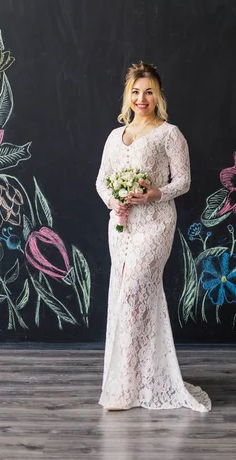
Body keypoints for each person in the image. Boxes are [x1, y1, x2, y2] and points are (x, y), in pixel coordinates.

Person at [96, 61, 211, 412]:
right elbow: (102, 179)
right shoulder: (116, 136)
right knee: (124, 295)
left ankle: (127, 387)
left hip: (156, 223)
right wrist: (115, 200)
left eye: (148, 91)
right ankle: (136, 378)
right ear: (127, 96)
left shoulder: (169, 134)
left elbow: (184, 180)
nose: (141, 98)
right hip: (122, 225)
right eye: (135, 91)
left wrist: (154, 194)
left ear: (158, 95)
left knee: (134, 292)